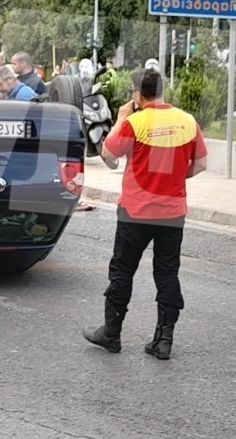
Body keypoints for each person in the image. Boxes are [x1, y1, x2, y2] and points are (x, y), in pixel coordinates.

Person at [82, 68, 207, 360]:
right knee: (166, 273)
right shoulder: (187, 121)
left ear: (137, 94)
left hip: (135, 211)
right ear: (161, 90)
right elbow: (200, 164)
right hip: (173, 212)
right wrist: (174, 178)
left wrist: (123, 118)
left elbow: (108, 154)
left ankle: (111, 334)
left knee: (123, 272)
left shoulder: (135, 122)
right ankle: (163, 340)